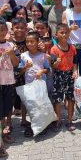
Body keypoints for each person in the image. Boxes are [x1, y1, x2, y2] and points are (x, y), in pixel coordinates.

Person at [19, 31, 50, 136]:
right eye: (27, 42)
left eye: (32, 41)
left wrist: (42, 71)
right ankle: (34, 125)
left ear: (38, 42)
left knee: (41, 105)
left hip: (41, 85)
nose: (29, 44)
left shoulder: (43, 56)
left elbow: (48, 69)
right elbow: (20, 71)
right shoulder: (23, 56)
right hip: (29, 86)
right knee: (32, 106)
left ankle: (43, 125)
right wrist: (25, 67)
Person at [50, 23, 78, 132]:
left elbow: (75, 62)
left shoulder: (72, 48)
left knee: (71, 99)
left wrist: (75, 71)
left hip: (70, 75)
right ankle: (57, 120)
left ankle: (69, 120)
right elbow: (53, 65)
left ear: (69, 34)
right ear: (56, 34)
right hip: (58, 76)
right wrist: (56, 63)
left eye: (66, 32)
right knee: (58, 100)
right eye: (61, 32)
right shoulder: (54, 49)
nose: (64, 35)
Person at [0, 17, 19, 157]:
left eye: (3, 30)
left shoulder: (10, 46)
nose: (1, 32)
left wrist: (12, 53)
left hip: (9, 82)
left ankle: (6, 129)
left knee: (7, 109)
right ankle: (1, 136)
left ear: (7, 31)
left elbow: (16, 64)